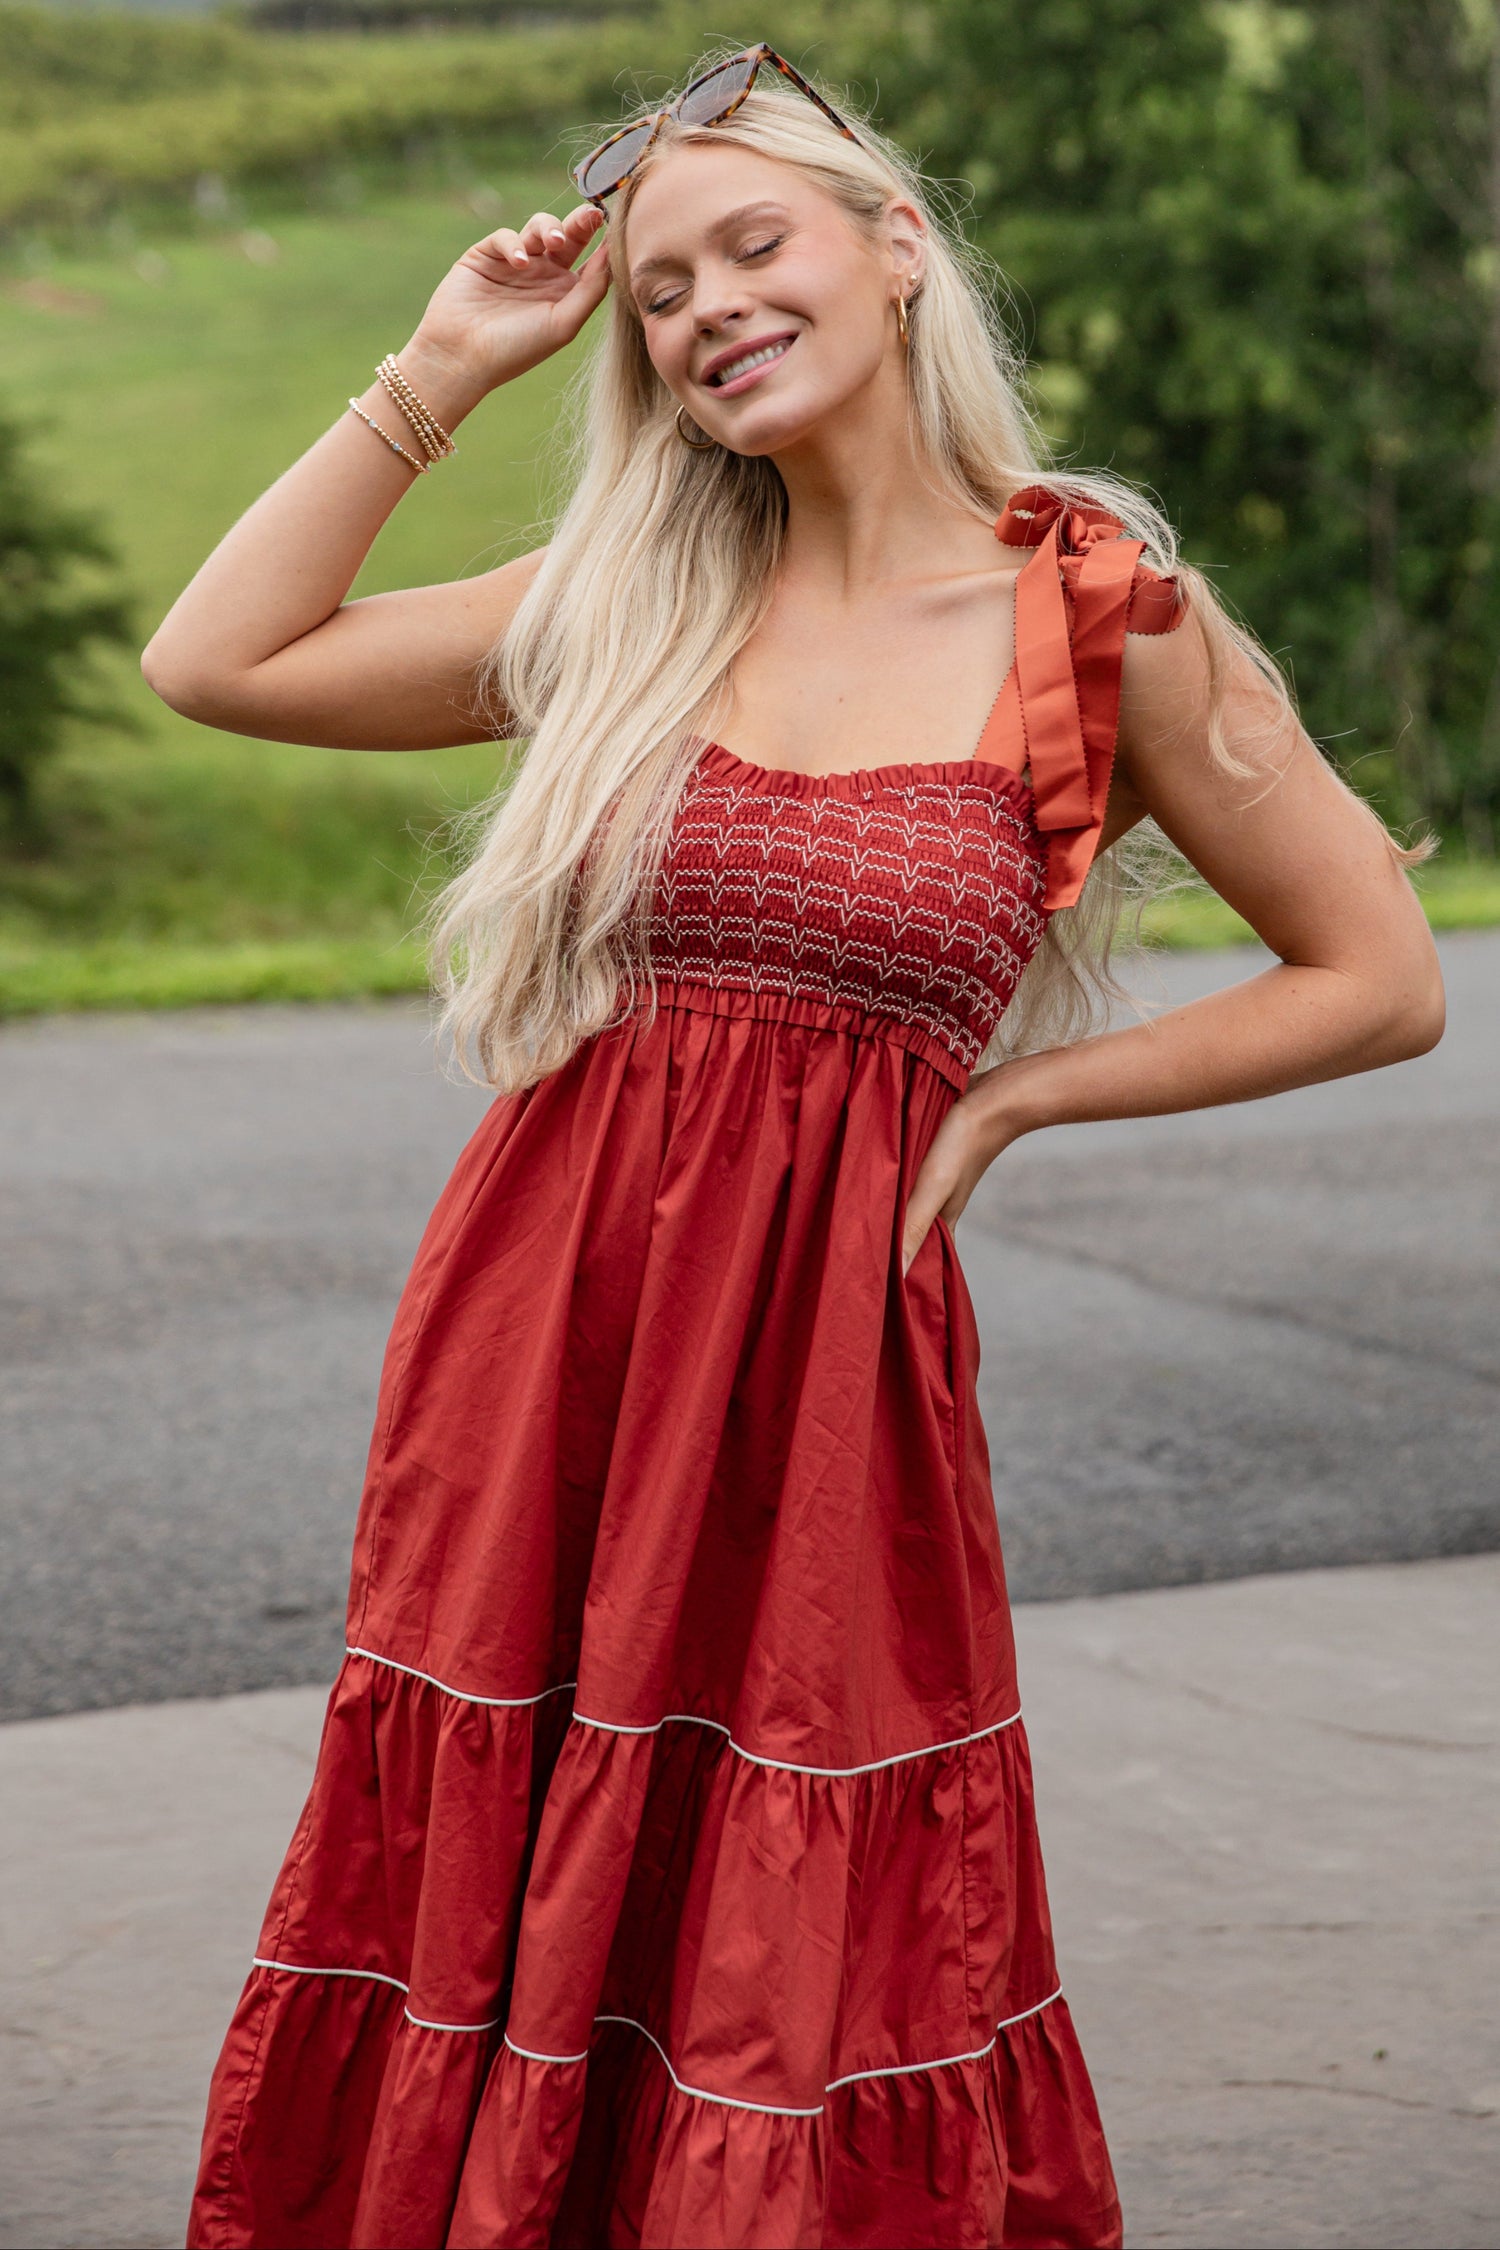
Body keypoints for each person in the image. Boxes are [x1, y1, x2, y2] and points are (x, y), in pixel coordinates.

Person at [143, 44, 1445, 2250]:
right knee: (503, 1828)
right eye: (660, 289)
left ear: (894, 244)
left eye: (755, 243)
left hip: (828, 1366)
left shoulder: (1094, 613)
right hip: (537, 1338)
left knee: (786, 1895)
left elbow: (1379, 973)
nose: (709, 307)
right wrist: (440, 368)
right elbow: (218, 658)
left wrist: (1022, 1092)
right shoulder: (632, 594)